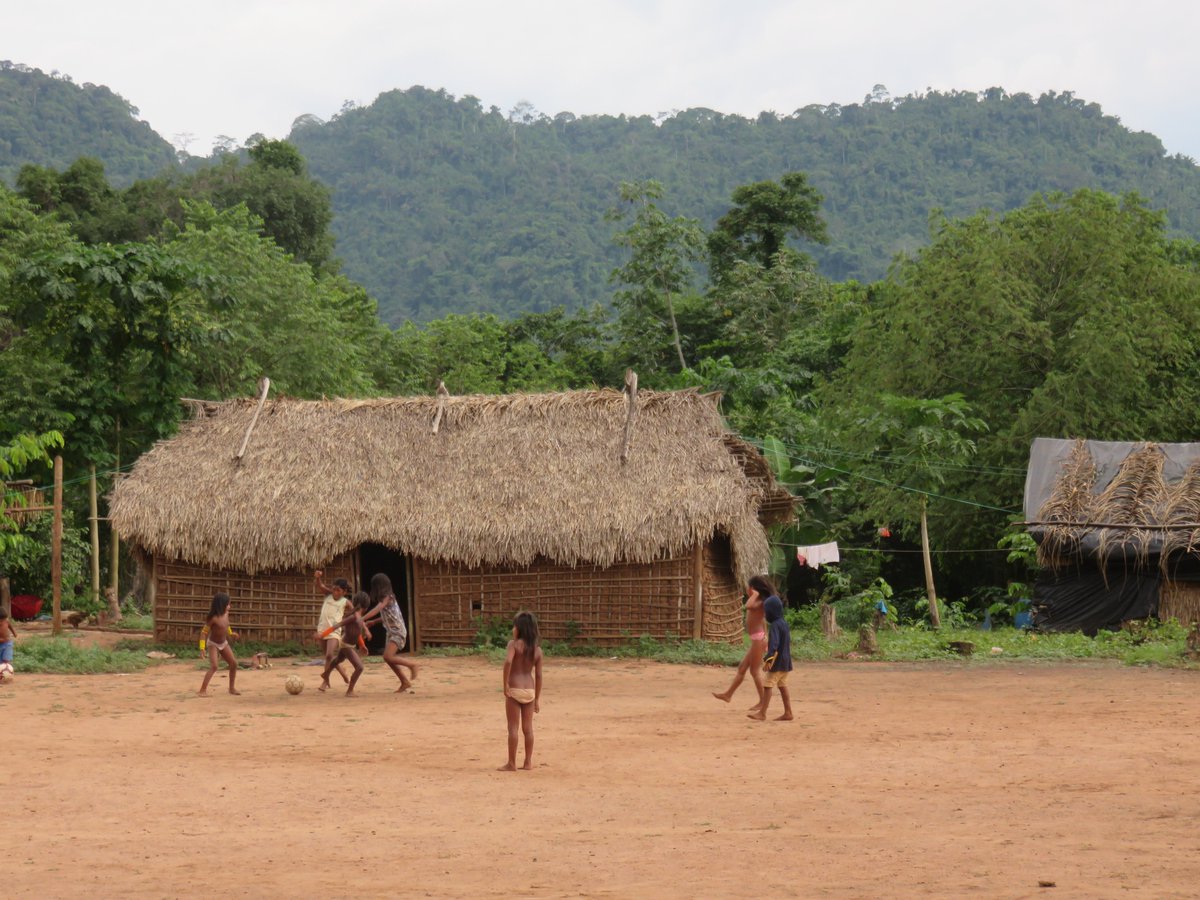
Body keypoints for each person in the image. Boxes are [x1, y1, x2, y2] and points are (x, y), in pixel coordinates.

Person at [327, 573, 419, 692]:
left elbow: (377, 609)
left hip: (398, 632)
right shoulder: (387, 599)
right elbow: (388, 617)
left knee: (388, 656)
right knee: (388, 658)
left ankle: (412, 665)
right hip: (391, 632)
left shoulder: (389, 597)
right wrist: (374, 622)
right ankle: (404, 682)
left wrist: (362, 618)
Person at [711, 575, 775, 710]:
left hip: (758, 639)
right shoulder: (759, 600)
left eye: (749, 587)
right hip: (758, 638)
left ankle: (763, 701)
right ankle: (728, 695)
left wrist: (755, 593)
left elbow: (748, 606)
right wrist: (766, 635)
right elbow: (762, 620)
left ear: (753, 589)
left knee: (754, 671)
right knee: (742, 668)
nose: (747, 589)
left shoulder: (760, 601)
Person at [499, 610, 543, 771]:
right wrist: (537, 698)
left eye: (514, 626)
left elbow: (508, 662)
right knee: (528, 728)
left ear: (519, 629)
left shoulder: (513, 644)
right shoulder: (537, 650)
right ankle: (528, 762)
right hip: (530, 691)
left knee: (512, 728)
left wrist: (505, 685)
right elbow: (538, 676)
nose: (512, 629)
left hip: (514, 689)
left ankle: (511, 763)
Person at [749, 595, 793, 721]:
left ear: (771, 612)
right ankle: (788, 712)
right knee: (782, 685)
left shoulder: (775, 625)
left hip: (777, 662)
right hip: (786, 661)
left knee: (768, 685)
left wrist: (768, 660)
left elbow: (774, 645)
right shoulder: (784, 623)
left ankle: (762, 713)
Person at [319, 591, 370, 695]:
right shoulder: (353, 617)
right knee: (359, 667)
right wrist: (322, 635)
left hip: (348, 644)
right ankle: (350, 691)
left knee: (338, 659)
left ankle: (326, 673)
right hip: (346, 645)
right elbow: (337, 626)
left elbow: (357, 633)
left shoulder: (359, 617)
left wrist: (362, 645)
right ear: (366, 606)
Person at [313, 570, 352, 685]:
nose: (335, 592)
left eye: (338, 590)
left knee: (329, 655)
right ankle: (342, 671)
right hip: (322, 630)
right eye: (334, 589)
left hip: (334, 631)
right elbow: (320, 585)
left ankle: (325, 680)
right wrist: (318, 578)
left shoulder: (345, 602)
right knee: (328, 657)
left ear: (344, 592)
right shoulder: (328, 595)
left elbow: (355, 614)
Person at [198, 592, 241, 696]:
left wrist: (231, 633)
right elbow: (203, 633)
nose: (229, 607)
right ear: (221, 605)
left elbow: (227, 625)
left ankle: (231, 688)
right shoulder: (213, 618)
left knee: (234, 664)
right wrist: (202, 648)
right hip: (213, 644)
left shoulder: (226, 614)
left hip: (223, 643)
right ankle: (202, 690)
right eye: (228, 604)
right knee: (214, 666)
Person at [0, 608, 16, 676]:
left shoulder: (6, 621)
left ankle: (7, 674)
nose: (1, 622)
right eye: (0, 620)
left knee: (6, 660)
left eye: (3, 620)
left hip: (7, 644)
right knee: (1, 662)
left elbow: (10, 626)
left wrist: (14, 633)